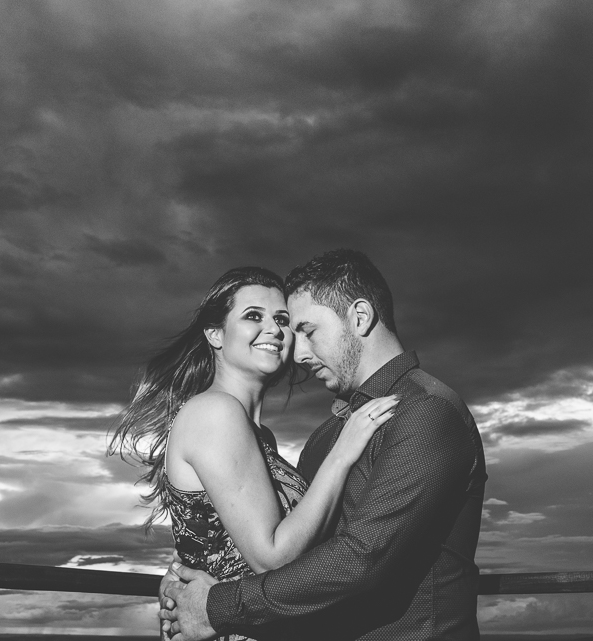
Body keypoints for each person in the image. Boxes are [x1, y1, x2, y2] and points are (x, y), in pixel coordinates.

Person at [161, 249, 488, 641]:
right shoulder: (326, 439)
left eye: (305, 329)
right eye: (257, 318)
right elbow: (296, 549)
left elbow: (361, 557)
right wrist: (186, 576)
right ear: (216, 334)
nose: (295, 351)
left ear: (360, 317)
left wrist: (214, 605)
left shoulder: (426, 412)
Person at [109, 266, 399, 641]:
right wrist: (343, 453)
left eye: (282, 319)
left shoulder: (258, 435)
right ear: (215, 334)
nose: (275, 329)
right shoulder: (215, 412)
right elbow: (272, 558)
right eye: (252, 316)